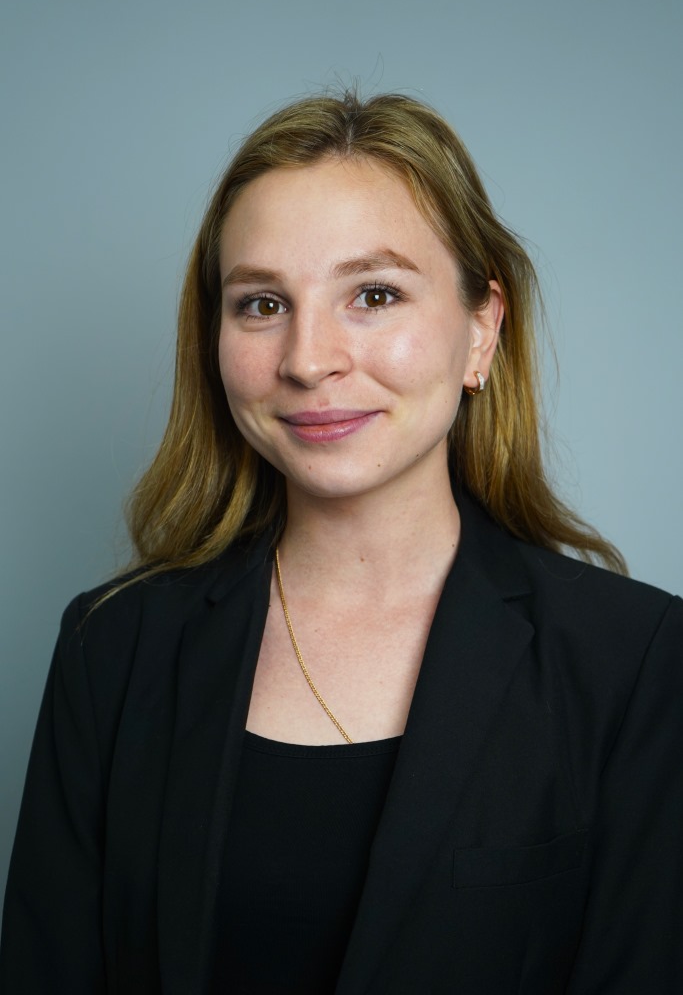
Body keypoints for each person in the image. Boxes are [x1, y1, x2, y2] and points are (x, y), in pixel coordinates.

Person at [1, 90, 681, 995]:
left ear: (481, 330)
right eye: (260, 304)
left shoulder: (631, 661)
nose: (307, 358)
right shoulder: (111, 649)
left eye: (373, 294)